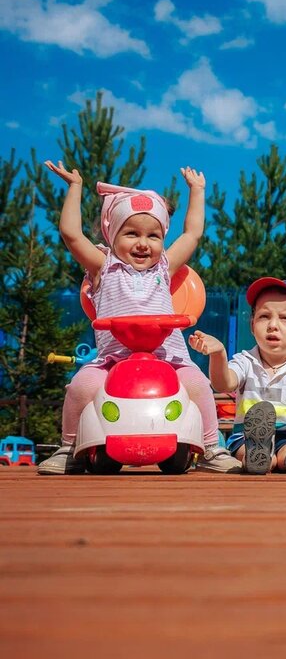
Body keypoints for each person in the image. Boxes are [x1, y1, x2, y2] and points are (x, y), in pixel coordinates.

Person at [38, 160, 239, 474]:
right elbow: (71, 234)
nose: (143, 243)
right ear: (113, 235)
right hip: (114, 359)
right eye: (131, 233)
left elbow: (192, 234)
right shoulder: (103, 267)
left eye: (153, 236)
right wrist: (75, 188)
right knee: (81, 386)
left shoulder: (164, 268)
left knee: (198, 384)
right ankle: (69, 448)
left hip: (168, 357)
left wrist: (197, 191)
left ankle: (212, 448)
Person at [189, 278, 286, 474]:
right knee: (250, 453)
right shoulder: (245, 361)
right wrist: (219, 354)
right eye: (264, 316)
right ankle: (259, 455)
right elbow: (224, 384)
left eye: (285, 318)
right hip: (248, 435)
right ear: (252, 325)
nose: (273, 325)